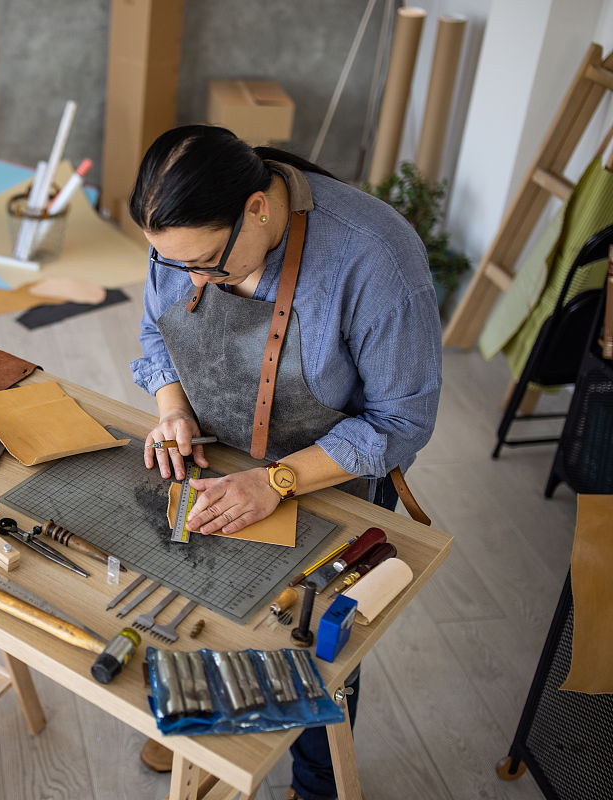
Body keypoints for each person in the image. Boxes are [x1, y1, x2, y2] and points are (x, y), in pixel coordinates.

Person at [128, 125, 442, 800]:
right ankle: (203, 722)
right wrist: (173, 407)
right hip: (216, 452)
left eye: (209, 264)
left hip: (334, 476)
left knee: (313, 642)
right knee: (201, 600)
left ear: (259, 209)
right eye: (175, 264)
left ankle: (317, 781)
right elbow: (156, 330)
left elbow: (403, 421)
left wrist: (277, 480)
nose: (195, 280)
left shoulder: (374, 257)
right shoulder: (184, 242)